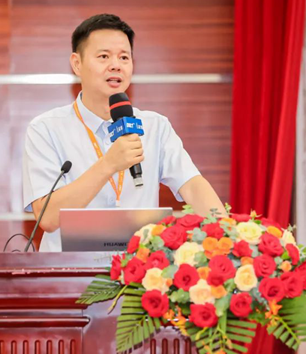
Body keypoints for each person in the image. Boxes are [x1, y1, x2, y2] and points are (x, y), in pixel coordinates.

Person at [23, 14, 226, 252]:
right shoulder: (46, 129)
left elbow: (192, 186)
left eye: (124, 57)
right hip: (68, 270)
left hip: (139, 270)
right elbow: (47, 218)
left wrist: (228, 234)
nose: (116, 65)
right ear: (77, 64)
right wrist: (109, 164)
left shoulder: (155, 126)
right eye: (103, 56)